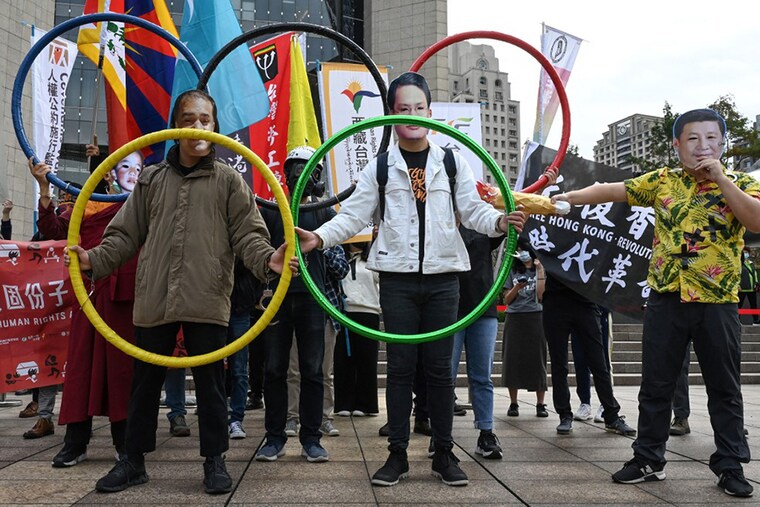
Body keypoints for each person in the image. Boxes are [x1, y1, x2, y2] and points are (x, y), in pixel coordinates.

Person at [297, 71, 525, 487]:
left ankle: (443, 453)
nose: (413, 116)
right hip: (398, 280)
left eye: (419, 108)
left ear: (431, 112)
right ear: (390, 115)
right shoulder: (380, 166)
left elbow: (474, 212)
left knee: (440, 371)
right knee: (400, 368)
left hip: (444, 279)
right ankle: (397, 454)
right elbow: (353, 216)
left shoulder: (452, 160)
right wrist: (319, 235)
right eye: (404, 109)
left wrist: (500, 221)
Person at [65, 89, 292, 495]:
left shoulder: (229, 181)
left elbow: (249, 235)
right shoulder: (151, 179)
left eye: (205, 120)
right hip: (154, 297)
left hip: (207, 297)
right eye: (188, 119)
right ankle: (132, 461)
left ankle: (214, 461)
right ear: (175, 126)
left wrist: (267, 260)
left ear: (216, 127)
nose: (197, 127)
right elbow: (124, 234)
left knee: (210, 386)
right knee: (144, 384)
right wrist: (92, 260)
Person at [552, 108, 759, 497]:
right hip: (666, 298)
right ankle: (648, 457)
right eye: (693, 139)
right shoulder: (663, 181)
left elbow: (755, 221)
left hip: (716, 301)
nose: (703, 146)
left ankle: (730, 463)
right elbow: (611, 190)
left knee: (724, 387)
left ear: (723, 142)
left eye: (712, 138)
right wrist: (567, 199)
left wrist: (720, 178)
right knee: (656, 383)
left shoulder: (741, 183)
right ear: (676, 144)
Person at [26, 151, 137, 449]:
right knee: (80, 367)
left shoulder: (136, 203)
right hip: (87, 293)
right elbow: (52, 230)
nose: (128, 173)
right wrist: (45, 188)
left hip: (122, 296)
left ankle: (124, 446)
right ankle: (75, 442)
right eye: (121, 167)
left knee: (120, 370)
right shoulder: (81, 207)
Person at [255, 145, 337, 463]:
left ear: (317, 173)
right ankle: (274, 436)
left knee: (313, 371)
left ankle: (312, 438)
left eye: (307, 166)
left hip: (313, 299)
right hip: (277, 298)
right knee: (274, 369)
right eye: (294, 166)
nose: (299, 173)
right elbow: (260, 249)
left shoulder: (325, 211)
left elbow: (340, 249)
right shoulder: (272, 210)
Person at [451, 225, 507, 460]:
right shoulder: (440, 222)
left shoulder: (483, 225)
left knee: (482, 376)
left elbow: (505, 223)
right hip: (448, 310)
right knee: (445, 376)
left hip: (483, 308)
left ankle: (486, 432)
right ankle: (440, 434)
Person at [284, 243, 349, 439]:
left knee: (324, 371)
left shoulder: (331, 241)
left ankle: (325, 418)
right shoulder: (292, 239)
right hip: (296, 309)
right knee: (293, 370)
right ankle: (292, 417)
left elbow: (341, 270)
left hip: (325, 312)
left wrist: (321, 247)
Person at [501, 241, 548, 420]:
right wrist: (517, 287)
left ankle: (540, 403)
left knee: (538, 359)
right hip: (515, 316)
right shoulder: (512, 270)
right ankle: (513, 402)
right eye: (518, 251)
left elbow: (541, 295)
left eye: (524, 250)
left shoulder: (540, 269)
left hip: (536, 316)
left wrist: (540, 270)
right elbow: (506, 299)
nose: (522, 253)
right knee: (512, 358)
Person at [334, 241, 381, 417]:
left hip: (368, 312)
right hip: (343, 313)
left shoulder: (372, 259)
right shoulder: (340, 259)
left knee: (367, 359)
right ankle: (343, 403)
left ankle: (366, 404)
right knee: (343, 359)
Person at [571, 306, 612, 423]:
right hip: (578, 311)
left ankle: (606, 404)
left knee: (604, 360)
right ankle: (585, 403)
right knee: (580, 360)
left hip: (601, 310)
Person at [739, 247, 760, 325]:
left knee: (754, 305)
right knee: (739, 305)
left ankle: (756, 320)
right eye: (744, 252)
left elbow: (754, 274)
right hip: (742, 288)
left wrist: (756, 283)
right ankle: (738, 320)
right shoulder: (739, 263)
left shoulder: (751, 263)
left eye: (746, 252)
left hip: (752, 288)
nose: (745, 254)